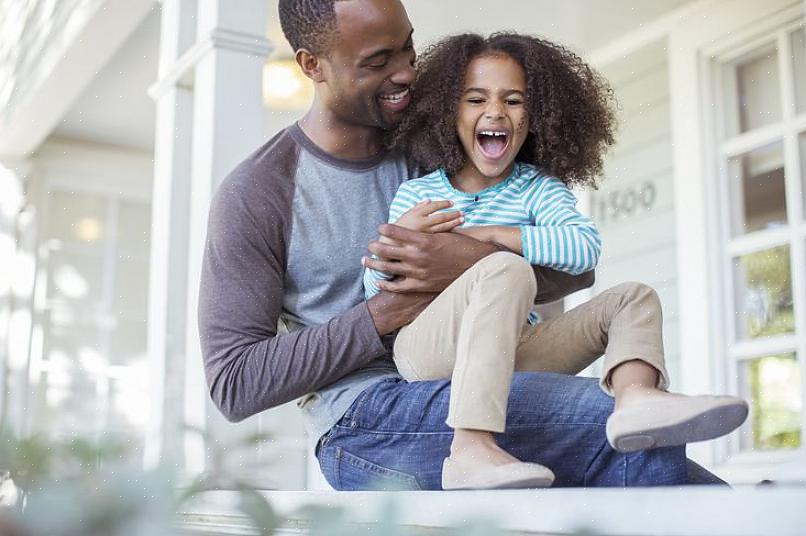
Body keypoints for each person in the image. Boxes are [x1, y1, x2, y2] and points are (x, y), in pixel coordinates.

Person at [198, 0, 729, 490]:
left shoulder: (439, 142)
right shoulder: (261, 193)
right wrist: (387, 309)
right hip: (362, 418)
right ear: (313, 65)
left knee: (634, 428)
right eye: (379, 60)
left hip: (487, 365)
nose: (407, 72)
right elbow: (235, 384)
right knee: (607, 421)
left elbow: (574, 268)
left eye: (407, 46)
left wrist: (475, 254)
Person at [362, 33, 748, 490]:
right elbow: (376, 295)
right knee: (506, 268)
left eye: (514, 100)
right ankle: (469, 449)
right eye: (475, 99)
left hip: (513, 347)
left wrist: (493, 235)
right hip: (430, 348)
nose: (495, 112)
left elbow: (583, 248)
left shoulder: (538, 189)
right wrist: (399, 242)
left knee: (633, 297)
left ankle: (637, 398)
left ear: (537, 115)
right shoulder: (420, 193)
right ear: (449, 111)